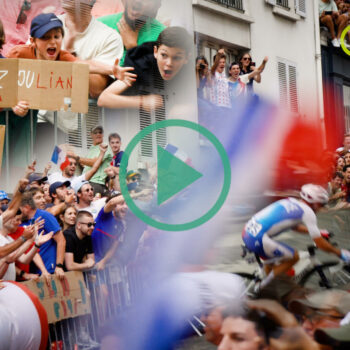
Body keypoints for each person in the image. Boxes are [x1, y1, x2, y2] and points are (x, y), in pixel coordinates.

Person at [242, 184, 350, 292]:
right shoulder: (308, 212)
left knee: (279, 267)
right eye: (321, 205)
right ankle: (261, 288)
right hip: (258, 239)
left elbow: (294, 227)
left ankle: (268, 289)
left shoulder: (292, 201)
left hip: (248, 231)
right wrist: (340, 253)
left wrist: (319, 232)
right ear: (315, 203)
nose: (321, 208)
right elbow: (321, 244)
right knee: (294, 257)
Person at [97, 26, 192, 111]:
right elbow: (104, 99)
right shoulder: (140, 65)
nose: (169, 63)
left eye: (177, 58)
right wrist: (142, 102)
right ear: (155, 52)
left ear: (186, 58)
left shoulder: (189, 73)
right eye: (164, 55)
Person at [59, 0, 124, 97]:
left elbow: (97, 89)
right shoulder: (45, 25)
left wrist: (70, 53)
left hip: (80, 111)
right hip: (44, 111)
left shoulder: (109, 37)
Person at [98, 0, 165, 66]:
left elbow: (152, 75)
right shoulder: (99, 24)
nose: (137, 1)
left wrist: (133, 47)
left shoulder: (164, 35)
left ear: (156, 5)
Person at [20, 192, 66, 279]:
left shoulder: (44, 216)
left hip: (49, 268)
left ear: (26, 207)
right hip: (31, 272)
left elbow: (61, 240)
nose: (17, 212)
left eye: (19, 208)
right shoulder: (20, 221)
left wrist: (59, 265)